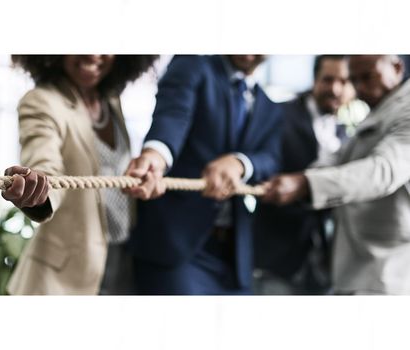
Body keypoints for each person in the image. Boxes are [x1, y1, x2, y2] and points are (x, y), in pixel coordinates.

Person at [124, 55, 284, 295]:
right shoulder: (193, 65)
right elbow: (173, 116)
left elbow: (271, 157)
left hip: (234, 257)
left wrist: (241, 163)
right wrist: (155, 157)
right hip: (177, 246)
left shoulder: (270, 107)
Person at [2, 55, 157, 295]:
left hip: (123, 259)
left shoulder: (111, 99)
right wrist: (38, 191)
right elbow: (45, 163)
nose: (93, 55)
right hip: (65, 275)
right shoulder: (41, 101)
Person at [262, 55, 410, 295]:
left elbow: (381, 170)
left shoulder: (404, 110)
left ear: (396, 67)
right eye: (356, 80)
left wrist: (304, 184)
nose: (360, 88)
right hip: (347, 262)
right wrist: (301, 180)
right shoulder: (382, 108)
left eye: (367, 77)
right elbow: (340, 159)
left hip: (385, 269)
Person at [253, 55, 353, 294]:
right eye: (328, 80)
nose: (335, 89)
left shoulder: (346, 133)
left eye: (344, 81)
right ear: (314, 80)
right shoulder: (279, 114)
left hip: (321, 263)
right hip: (275, 255)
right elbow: (263, 164)